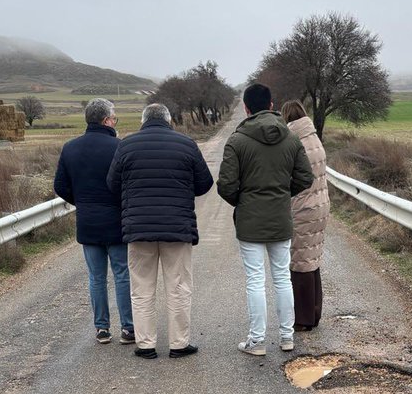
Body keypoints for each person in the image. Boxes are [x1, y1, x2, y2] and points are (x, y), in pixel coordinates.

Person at [107, 103, 214, 359]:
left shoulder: (126, 145)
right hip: (177, 228)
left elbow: (112, 184)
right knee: (178, 286)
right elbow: (205, 183)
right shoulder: (186, 143)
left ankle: (146, 345)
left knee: (142, 289)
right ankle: (178, 344)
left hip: (138, 229)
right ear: (168, 120)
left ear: (144, 120)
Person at [217, 83, 315, 356]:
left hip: (250, 221)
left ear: (246, 108)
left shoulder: (237, 141)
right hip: (281, 219)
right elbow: (306, 178)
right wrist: (283, 194)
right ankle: (287, 337)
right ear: (271, 105)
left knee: (255, 280)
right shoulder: (292, 139)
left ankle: (257, 341)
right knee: (283, 277)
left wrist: (244, 201)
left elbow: (225, 185)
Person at [53, 98, 134, 345]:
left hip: (87, 220)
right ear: (107, 120)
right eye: (114, 118)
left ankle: (102, 328)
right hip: (116, 220)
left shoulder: (70, 148)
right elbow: (128, 185)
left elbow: (60, 186)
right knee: (122, 274)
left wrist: (83, 202)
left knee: (96, 277)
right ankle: (128, 328)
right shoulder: (119, 147)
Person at [281, 99, 329, 331]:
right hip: (320, 205)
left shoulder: (293, 141)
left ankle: (303, 319)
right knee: (312, 259)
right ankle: (314, 313)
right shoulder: (313, 137)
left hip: (303, 207)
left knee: (300, 262)